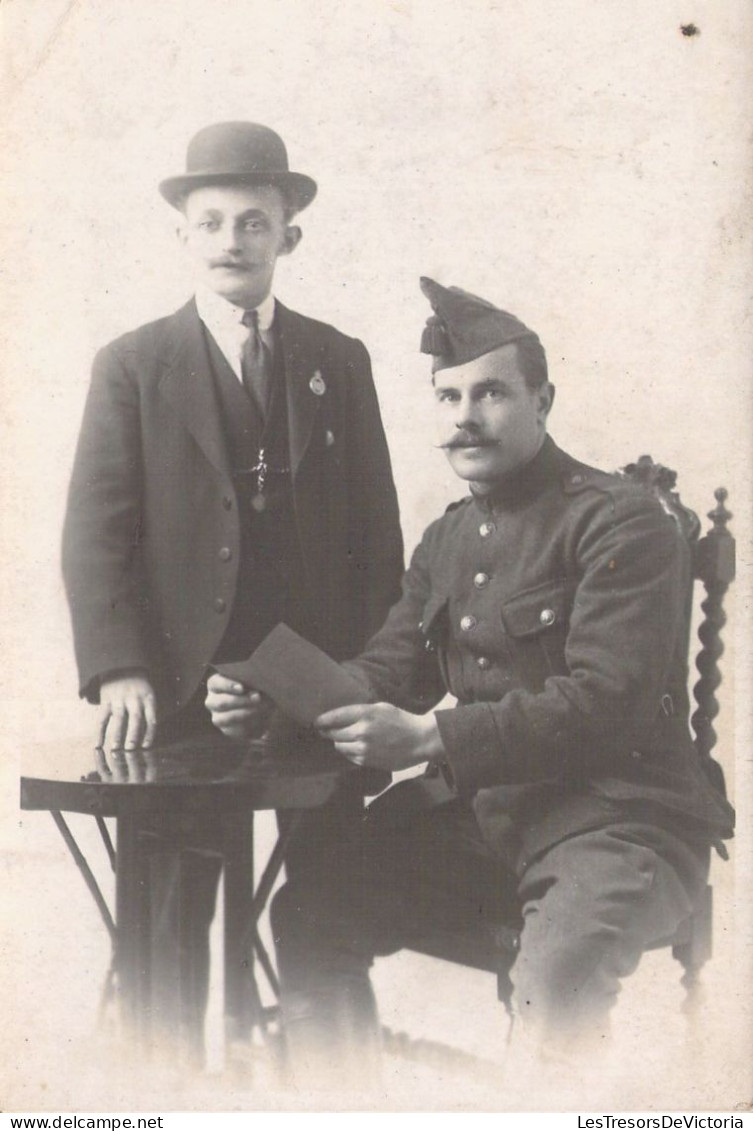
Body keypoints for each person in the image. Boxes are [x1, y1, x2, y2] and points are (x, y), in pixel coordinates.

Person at [206, 277, 734, 1087]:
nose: (463, 415)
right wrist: (272, 703)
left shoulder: (621, 519)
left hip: (620, 824)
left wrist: (432, 738)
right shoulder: (448, 537)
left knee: (553, 989)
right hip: (490, 823)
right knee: (312, 909)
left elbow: (606, 702)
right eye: (447, 395)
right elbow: (390, 668)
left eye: (489, 392)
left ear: (542, 399)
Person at [61, 121, 403, 1059]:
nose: (231, 241)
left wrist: (364, 679)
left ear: (288, 235)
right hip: (174, 695)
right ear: (181, 234)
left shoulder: (340, 360)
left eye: (254, 221)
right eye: (209, 221)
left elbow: (377, 537)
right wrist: (120, 667)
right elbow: (96, 532)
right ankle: (158, 1093)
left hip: (313, 694)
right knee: (165, 933)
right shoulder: (133, 365)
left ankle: (324, 1092)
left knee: (323, 914)